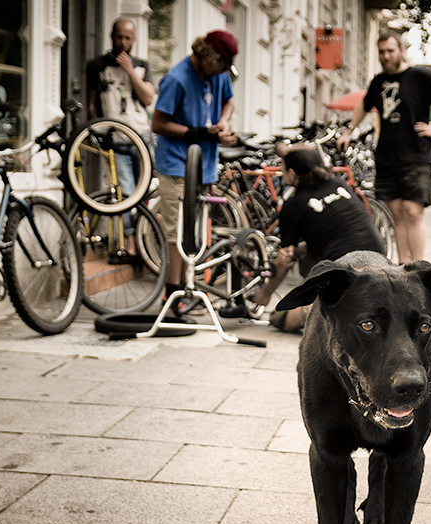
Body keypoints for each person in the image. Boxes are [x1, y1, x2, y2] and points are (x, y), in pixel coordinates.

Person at [337, 29, 431, 264]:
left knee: (413, 212)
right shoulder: (378, 82)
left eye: (390, 51)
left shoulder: (419, 76)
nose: (385, 56)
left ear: (401, 51)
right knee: (397, 214)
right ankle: (402, 265)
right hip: (386, 157)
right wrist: (348, 130)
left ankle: (417, 268)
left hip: (416, 155)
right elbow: (363, 105)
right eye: (381, 52)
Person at [252, 144, 386, 331]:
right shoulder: (340, 184)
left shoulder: (294, 206)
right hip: (380, 262)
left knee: (279, 318)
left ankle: (317, 309)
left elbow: (285, 258)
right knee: (306, 251)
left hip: (346, 273)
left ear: (292, 173)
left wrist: (265, 293)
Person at [152, 30, 238, 313]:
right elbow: (158, 124)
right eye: (221, 65)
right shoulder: (177, 79)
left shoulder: (219, 74)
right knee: (177, 232)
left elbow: (229, 101)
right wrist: (197, 132)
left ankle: (191, 288)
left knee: (198, 232)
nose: (223, 72)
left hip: (204, 165)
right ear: (208, 56)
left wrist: (223, 123)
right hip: (177, 164)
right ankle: (172, 294)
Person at [85, 17, 156, 264]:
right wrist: (99, 131)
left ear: (133, 40)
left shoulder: (141, 65)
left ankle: (146, 243)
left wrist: (129, 71)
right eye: (119, 37)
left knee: (145, 193)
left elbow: (148, 99)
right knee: (126, 193)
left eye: (128, 38)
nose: (123, 42)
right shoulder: (97, 66)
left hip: (142, 138)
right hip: (116, 139)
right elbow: (93, 103)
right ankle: (132, 247)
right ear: (111, 36)